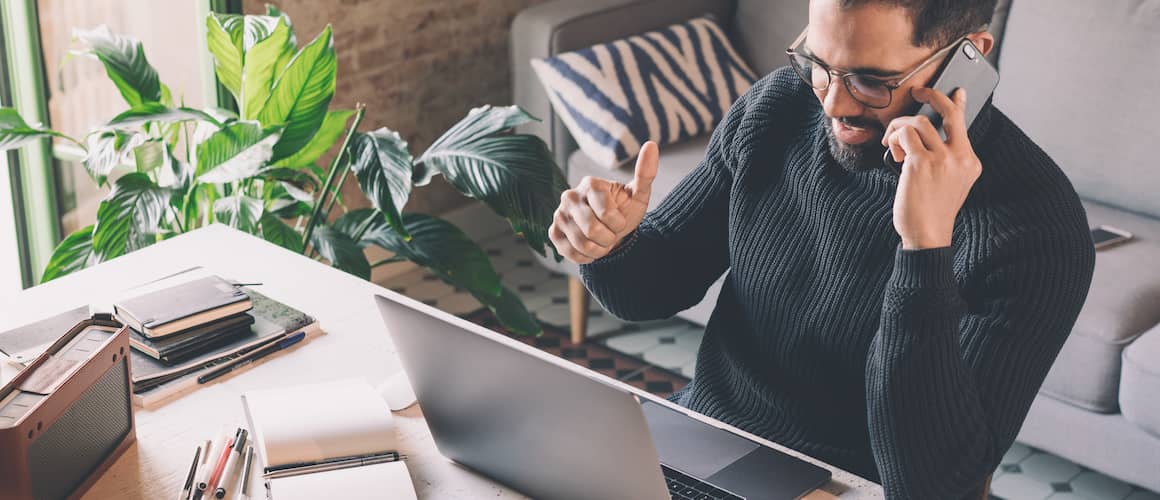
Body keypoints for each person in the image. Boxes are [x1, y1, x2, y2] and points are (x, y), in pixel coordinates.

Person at [546, 0, 1096, 498]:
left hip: (854, 488)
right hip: (708, 444)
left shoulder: (1036, 229)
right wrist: (609, 244)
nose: (832, 103)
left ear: (969, 56)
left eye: (870, 80)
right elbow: (655, 288)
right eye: (817, 62)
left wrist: (923, 249)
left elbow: (935, 483)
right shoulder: (777, 108)